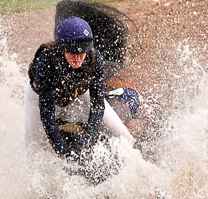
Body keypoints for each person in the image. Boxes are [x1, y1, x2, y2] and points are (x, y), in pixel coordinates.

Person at [25, 15, 135, 159]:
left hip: (78, 94)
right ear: (62, 48)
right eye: (72, 52)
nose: (77, 58)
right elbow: (47, 113)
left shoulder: (95, 58)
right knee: (32, 151)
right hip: (40, 97)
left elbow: (98, 106)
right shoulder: (46, 58)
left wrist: (87, 139)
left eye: (81, 52)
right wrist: (61, 150)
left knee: (123, 135)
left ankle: (137, 161)